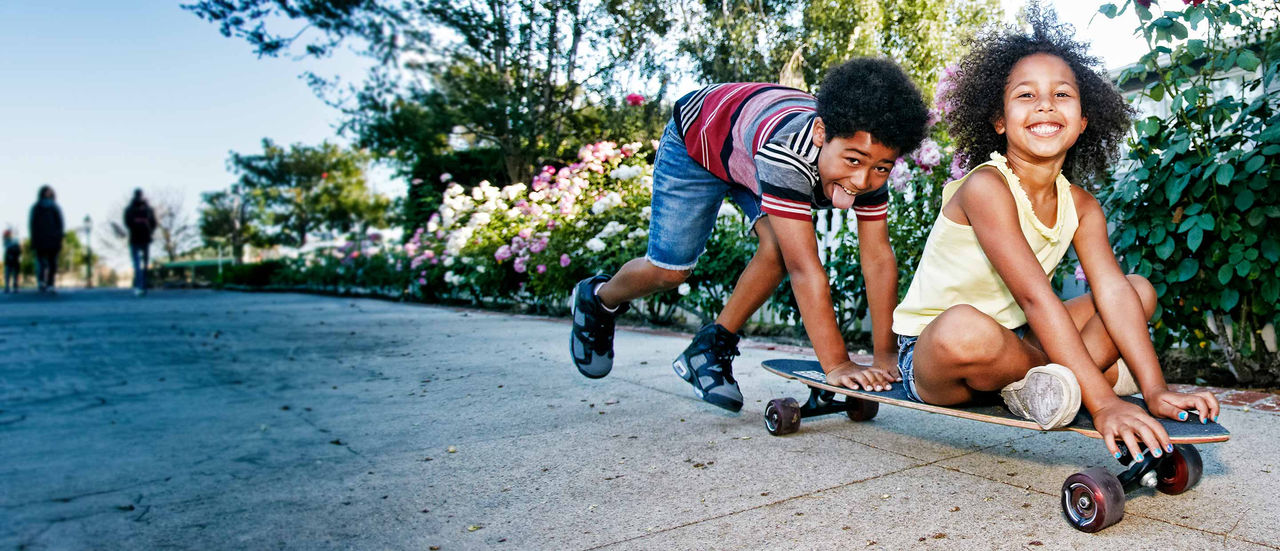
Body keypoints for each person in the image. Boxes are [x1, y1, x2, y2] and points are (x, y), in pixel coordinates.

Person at [892, 4, 1219, 461]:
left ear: (1084, 121)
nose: (1045, 104)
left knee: (1135, 289)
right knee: (962, 328)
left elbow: (1110, 292)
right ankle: (1082, 377)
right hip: (936, 353)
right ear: (999, 120)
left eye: (1062, 94)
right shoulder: (987, 186)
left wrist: (1155, 389)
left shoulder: (1082, 206)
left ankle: (1054, 382)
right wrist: (1103, 403)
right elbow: (1035, 297)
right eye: (1026, 95)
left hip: (1020, 338)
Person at [570, 58, 930, 412]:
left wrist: (885, 354)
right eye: (853, 161)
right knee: (669, 271)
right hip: (698, 140)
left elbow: (878, 260)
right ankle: (598, 298)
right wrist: (837, 364)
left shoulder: (868, 161)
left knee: (774, 249)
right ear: (822, 133)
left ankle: (708, 348)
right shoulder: (787, 155)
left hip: (750, 141)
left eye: (881, 167)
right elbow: (804, 267)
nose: (863, 181)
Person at [29, 185, 64, 293]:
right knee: (51, 262)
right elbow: (60, 223)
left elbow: (32, 224)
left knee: (41, 261)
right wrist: (59, 236)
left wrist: (34, 238)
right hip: (52, 238)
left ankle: (42, 282)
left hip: (41, 238)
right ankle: (49, 283)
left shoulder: (36, 207)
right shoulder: (54, 207)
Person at [124, 189, 158, 295]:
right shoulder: (148, 209)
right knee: (144, 264)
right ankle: (143, 285)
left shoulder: (130, 209)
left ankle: (139, 286)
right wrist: (149, 230)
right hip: (145, 238)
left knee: (137, 264)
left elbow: (127, 223)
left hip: (135, 238)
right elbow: (154, 223)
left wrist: (136, 225)